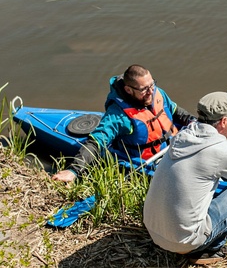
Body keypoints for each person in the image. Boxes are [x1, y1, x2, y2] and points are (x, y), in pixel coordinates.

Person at [143, 91, 227, 265]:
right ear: (224, 121)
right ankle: (211, 249)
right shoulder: (222, 152)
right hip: (185, 242)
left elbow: (213, 147)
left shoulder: (183, 136)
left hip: (153, 231)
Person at [52, 65, 195, 183]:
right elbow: (96, 142)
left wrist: (196, 122)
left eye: (152, 84)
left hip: (175, 145)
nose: (151, 92)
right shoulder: (118, 115)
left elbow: (175, 110)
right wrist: (74, 170)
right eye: (144, 89)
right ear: (128, 90)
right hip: (149, 160)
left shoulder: (156, 93)